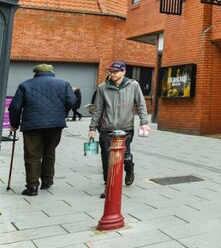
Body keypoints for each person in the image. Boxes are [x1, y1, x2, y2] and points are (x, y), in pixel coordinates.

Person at [8, 64, 76, 196]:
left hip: (32, 125)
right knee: (49, 151)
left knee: (32, 155)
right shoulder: (64, 83)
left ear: (35, 73)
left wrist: (14, 124)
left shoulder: (25, 85)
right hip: (55, 124)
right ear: (51, 72)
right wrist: (62, 114)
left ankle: (32, 187)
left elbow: (15, 108)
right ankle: (47, 181)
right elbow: (72, 101)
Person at [88, 61, 150, 197]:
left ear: (123, 72)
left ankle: (129, 168)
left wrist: (144, 122)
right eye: (111, 71)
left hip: (125, 128)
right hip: (106, 129)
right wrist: (92, 127)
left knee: (125, 155)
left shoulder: (133, 85)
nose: (112, 74)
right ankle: (108, 185)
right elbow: (97, 109)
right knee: (106, 157)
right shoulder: (103, 87)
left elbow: (141, 104)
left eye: (115, 72)